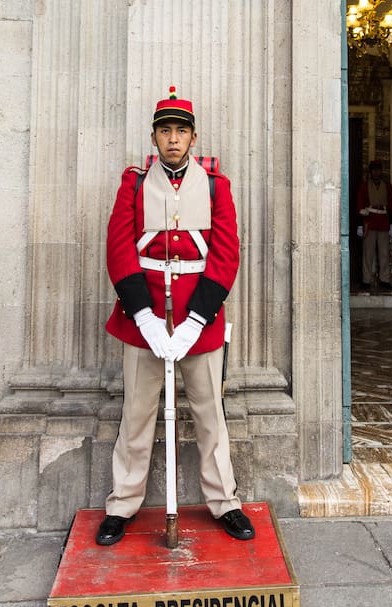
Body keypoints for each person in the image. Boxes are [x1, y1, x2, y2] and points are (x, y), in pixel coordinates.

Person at [96, 87, 255, 545]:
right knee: (137, 414)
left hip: (196, 320)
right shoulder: (133, 183)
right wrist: (143, 315)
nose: (172, 138)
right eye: (164, 130)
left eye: (180, 131)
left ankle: (224, 501)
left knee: (210, 416)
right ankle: (122, 505)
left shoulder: (214, 185)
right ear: (154, 137)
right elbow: (119, 248)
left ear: (193, 137)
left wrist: (195, 320)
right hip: (142, 318)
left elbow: (226, 255)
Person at [356, 160, 392, 290]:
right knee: (368, 253)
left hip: (383, 221)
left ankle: (384, 279)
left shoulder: (387, 186)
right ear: (371, 172)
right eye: (374, 170)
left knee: (384, 253)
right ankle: (366, 279)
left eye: (378, 170)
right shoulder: (364, 186)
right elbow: (360, 204)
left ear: (381, 171)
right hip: (370, 221)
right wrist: (360, 225)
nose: (376, 172)